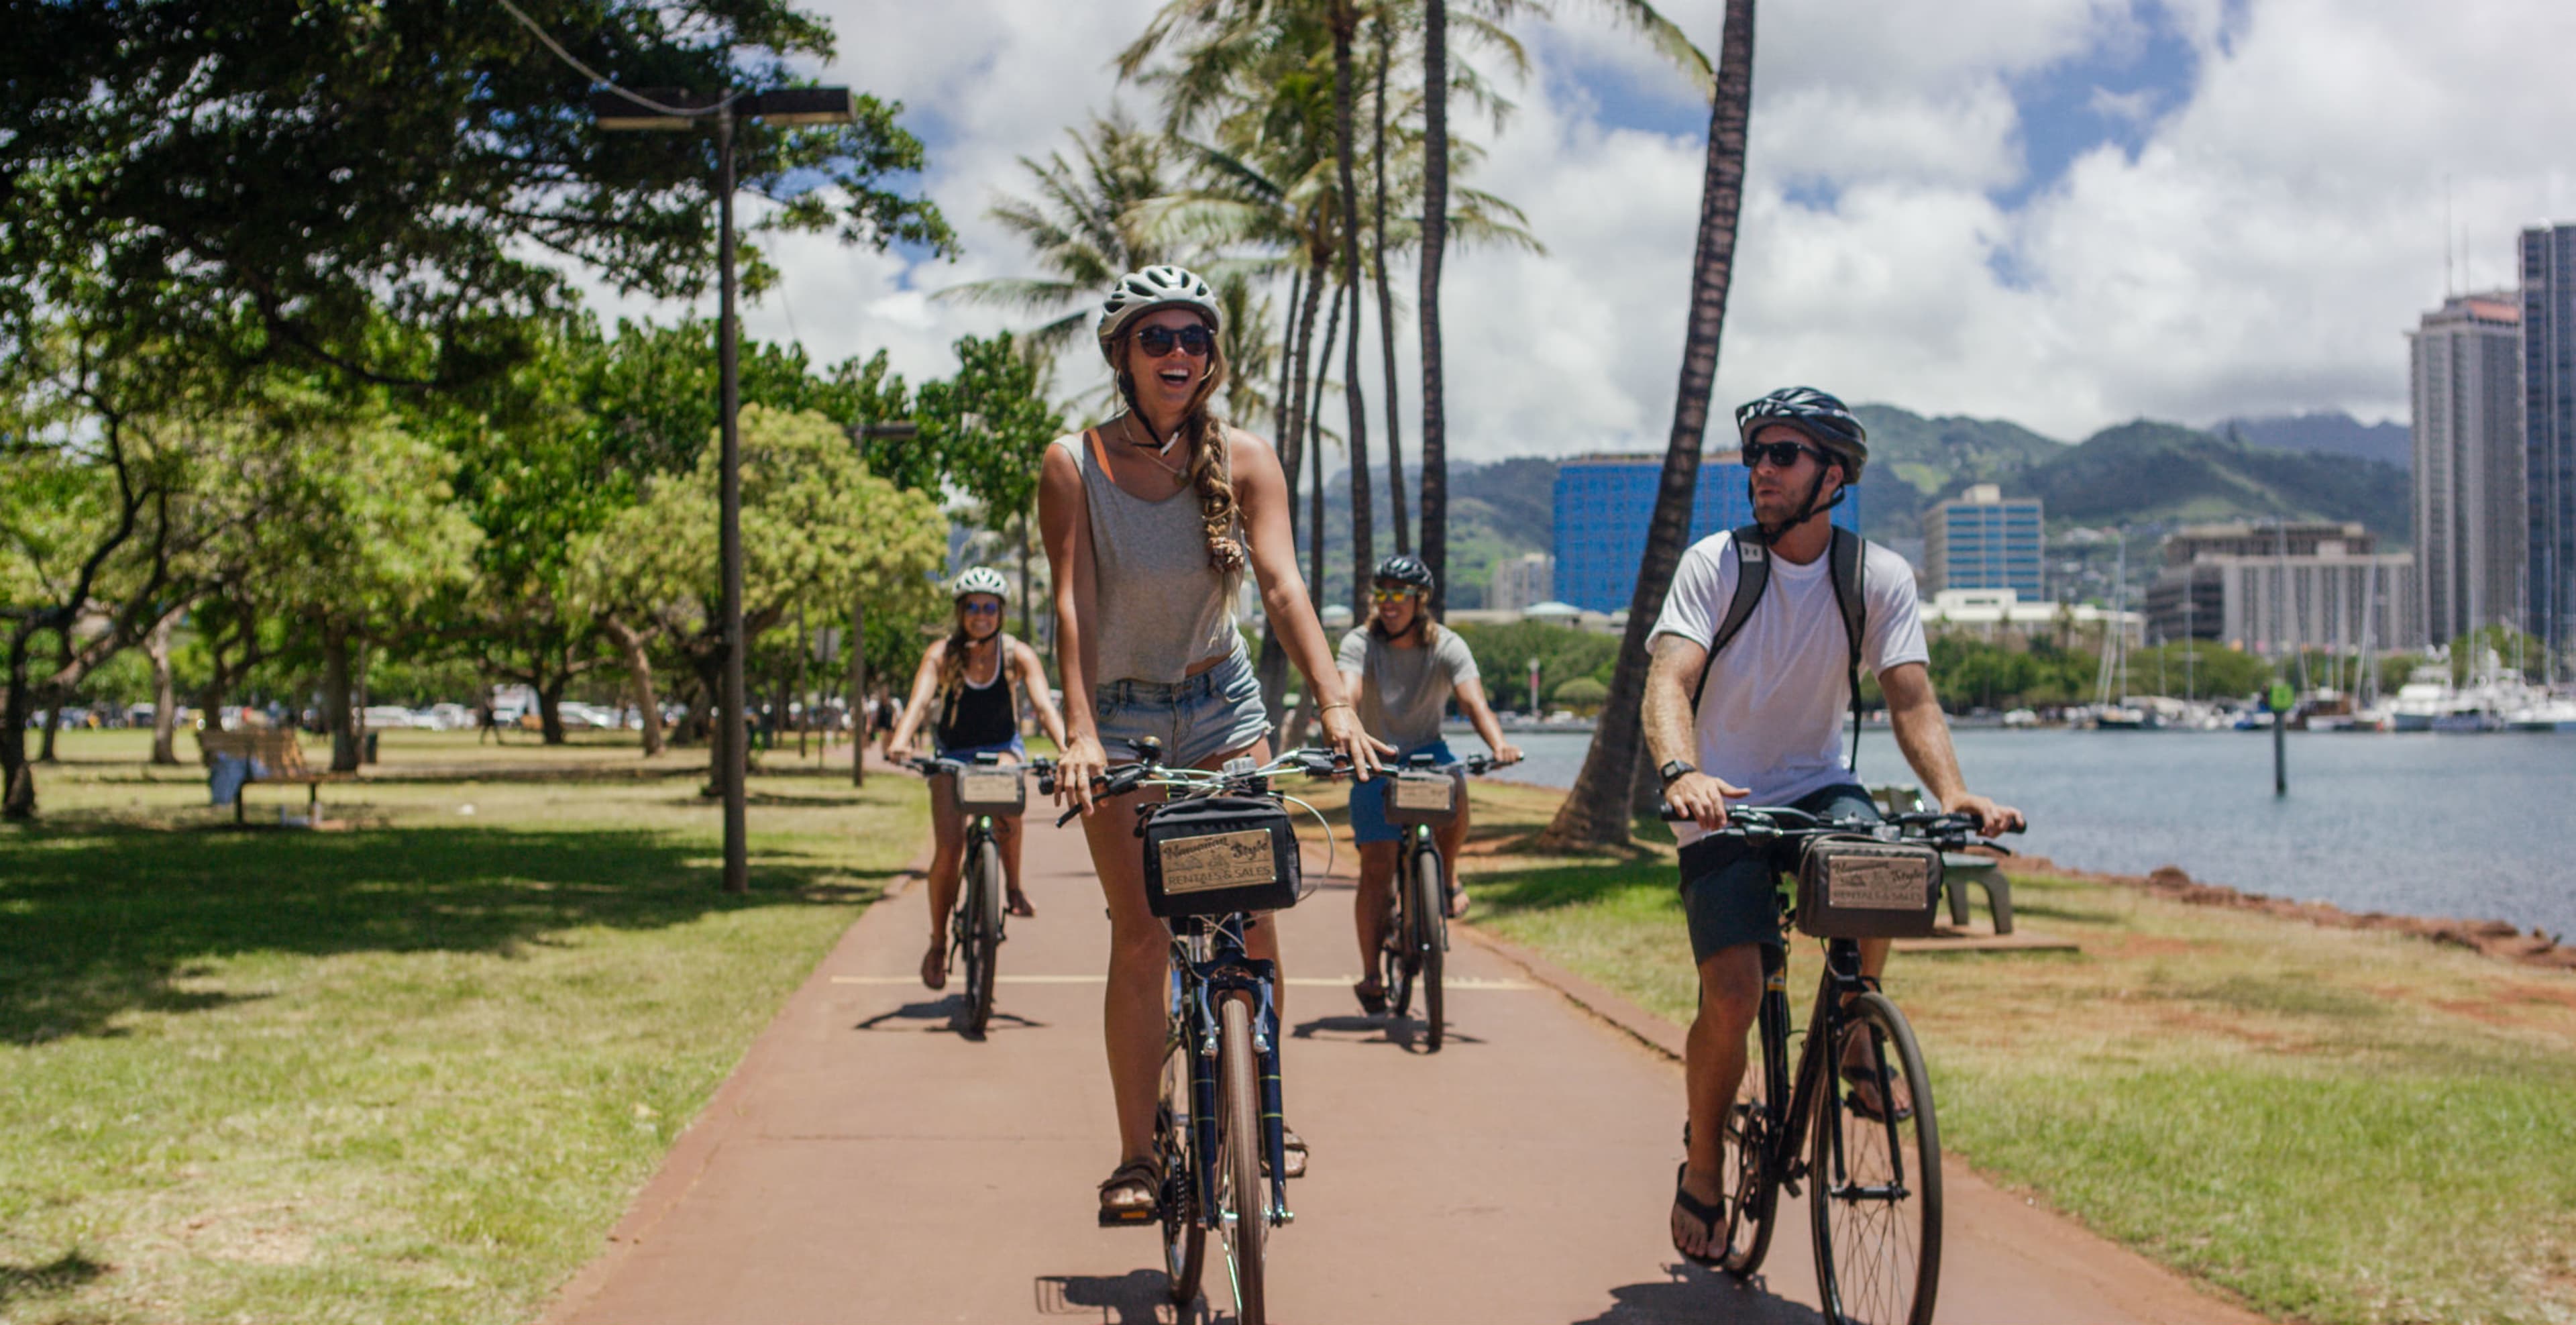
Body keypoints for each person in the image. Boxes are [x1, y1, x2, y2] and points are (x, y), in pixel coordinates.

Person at [1039, 264, 1388, 1222]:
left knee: (1254, 913)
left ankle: (1263, 1107)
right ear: (1123, 355)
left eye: (1196, 337)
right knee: (1143, 932)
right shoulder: (1074, 463)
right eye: (1159, 338)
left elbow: (1281, 587)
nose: (1180, 354)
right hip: (1115, 712)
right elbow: (1072, 601)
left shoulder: (1245, 459)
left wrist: (1337, 704)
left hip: (1221, 705)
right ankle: (1138, 1154)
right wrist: (1077, 732)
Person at [1648, 386, 2024, 1263]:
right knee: (1735, 992)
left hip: (1820, 783)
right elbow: (1669, 681)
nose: (1762, 471)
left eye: (1784, 454)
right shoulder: (1717, 562)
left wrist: (1955, 793)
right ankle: (1703, 1162)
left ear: (1834, 474)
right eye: (1756, 455)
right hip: (1721, 796)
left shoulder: (1875, 575)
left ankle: (1856, 1032)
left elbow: (1911, 697)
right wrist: (1683, 769)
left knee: (1881, 867)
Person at [1337, 554, 1521, 1014]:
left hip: (1428, 751)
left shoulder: (1448, 644)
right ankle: (1372, 974)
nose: (1390, 602)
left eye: (1400, 594)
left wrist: (1499, 744)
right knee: (1376, 869)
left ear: (1421, 600)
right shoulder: (1360, 642)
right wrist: (1345, 735)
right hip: (1376, 755)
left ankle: (1449, 873)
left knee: (1457, 784)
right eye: (1382, 593)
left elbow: (1473, 700)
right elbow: (1348, 692)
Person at [886, 568, 1071, 990]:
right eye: (973, 607)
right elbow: (919, 701)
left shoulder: (1017, 654)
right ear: (961, 611)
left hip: (1003, 748)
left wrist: (1066, 748)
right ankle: (938, 942)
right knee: (949, 851)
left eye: (990, 607)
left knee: (1012, 791)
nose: (982, 615)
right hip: (952, 756)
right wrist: (900, 740)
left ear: (1001, 612)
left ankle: (1014, 887)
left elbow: (1044, 706)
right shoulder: (942, 654)